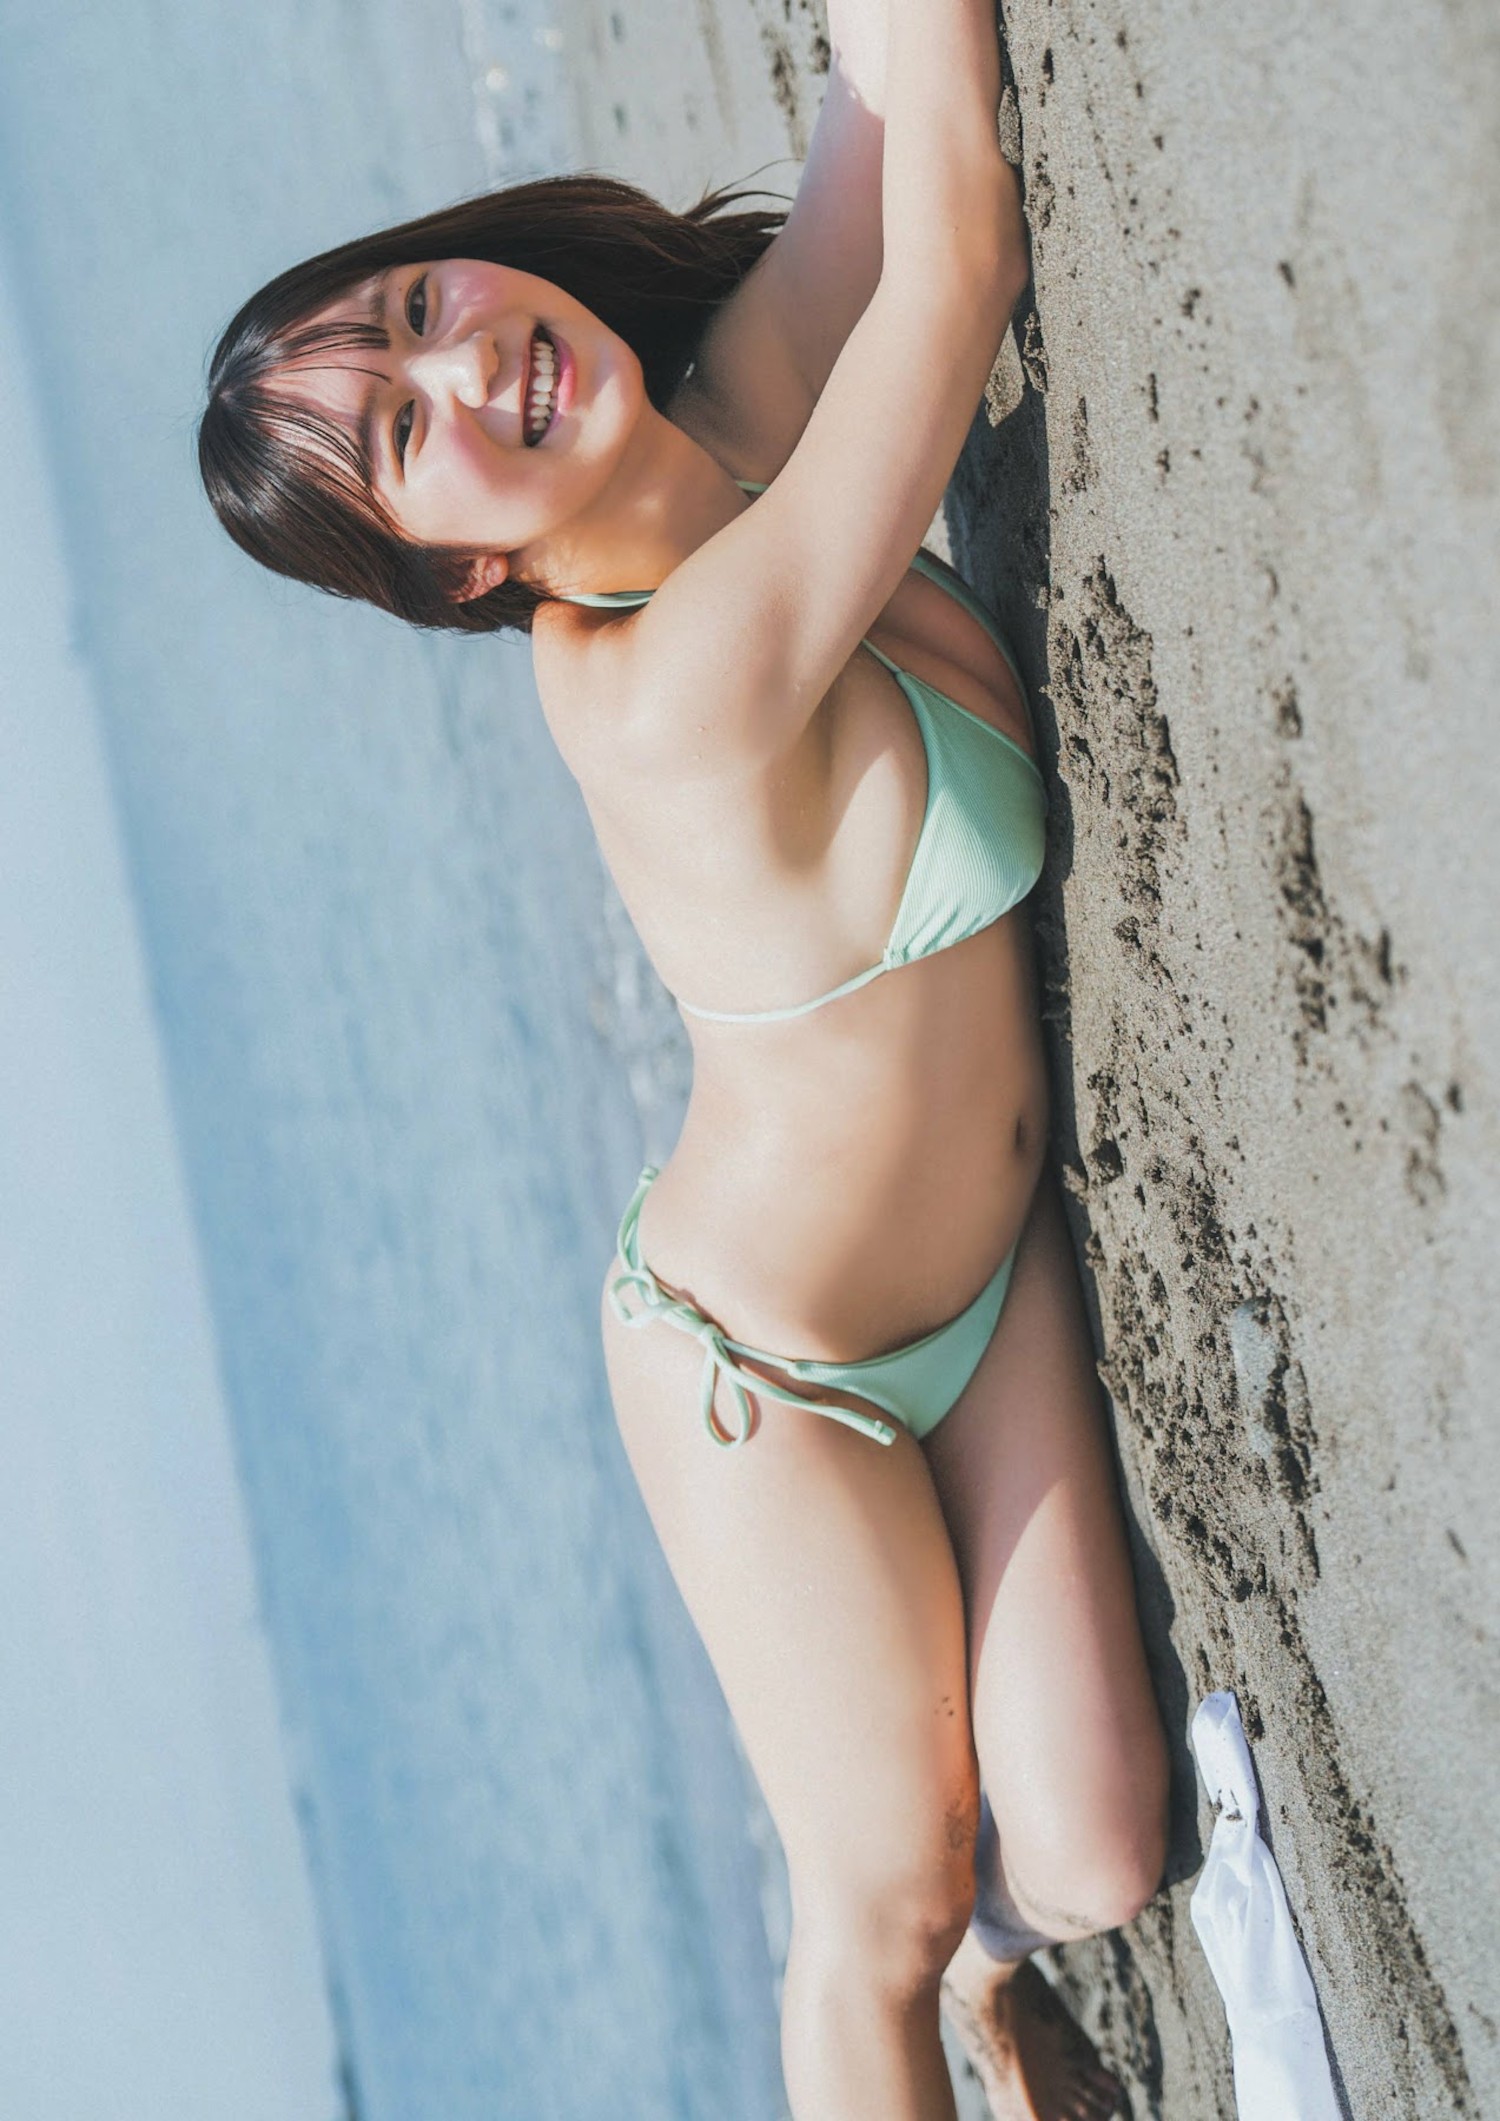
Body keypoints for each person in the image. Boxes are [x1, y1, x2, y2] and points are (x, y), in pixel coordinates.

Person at [199, 0, 1169, 2112]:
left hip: (988, 1272)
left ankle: (1004, 1948)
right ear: (455, 566)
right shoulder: (670, 693)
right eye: (408, 426)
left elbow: (879, 101)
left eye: (418, 307)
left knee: (1095, 1852)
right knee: (877, 1925)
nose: (472, 361)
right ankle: (948, 1966)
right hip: (783, 1384)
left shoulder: (730, 416)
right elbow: (958, 257)